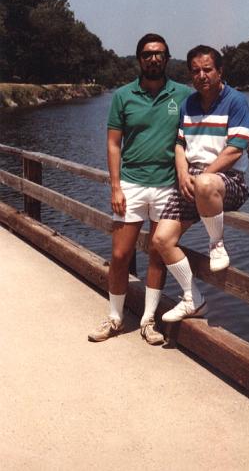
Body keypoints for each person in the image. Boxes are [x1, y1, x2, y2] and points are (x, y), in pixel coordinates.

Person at [88, 34, 192, 344]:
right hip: (131, 184)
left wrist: (241, 140)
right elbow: (112, 143)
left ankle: (149, 321)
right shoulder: (123, 96)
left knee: (158, 255)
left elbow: (213, 112)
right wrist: (116, 186)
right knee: (120, 255)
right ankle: (115, 318)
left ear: (167, 58)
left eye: (159, 54)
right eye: (147, 54)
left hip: (168, 186)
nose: (154, 59)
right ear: (139, 59)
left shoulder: (183, 94)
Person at [152, 45, 249, 323]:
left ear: (220, 71)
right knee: (161, 240)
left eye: (207, 69)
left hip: (226, 180)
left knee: (207, 183)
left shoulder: (236, 101)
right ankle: (192, 298)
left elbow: (235, 148)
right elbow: (180, 144)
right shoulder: (189, 104)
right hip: (192, 181)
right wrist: (184, 175)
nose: (202, 75)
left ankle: (216, 244)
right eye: (195, 71)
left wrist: (202, 177)